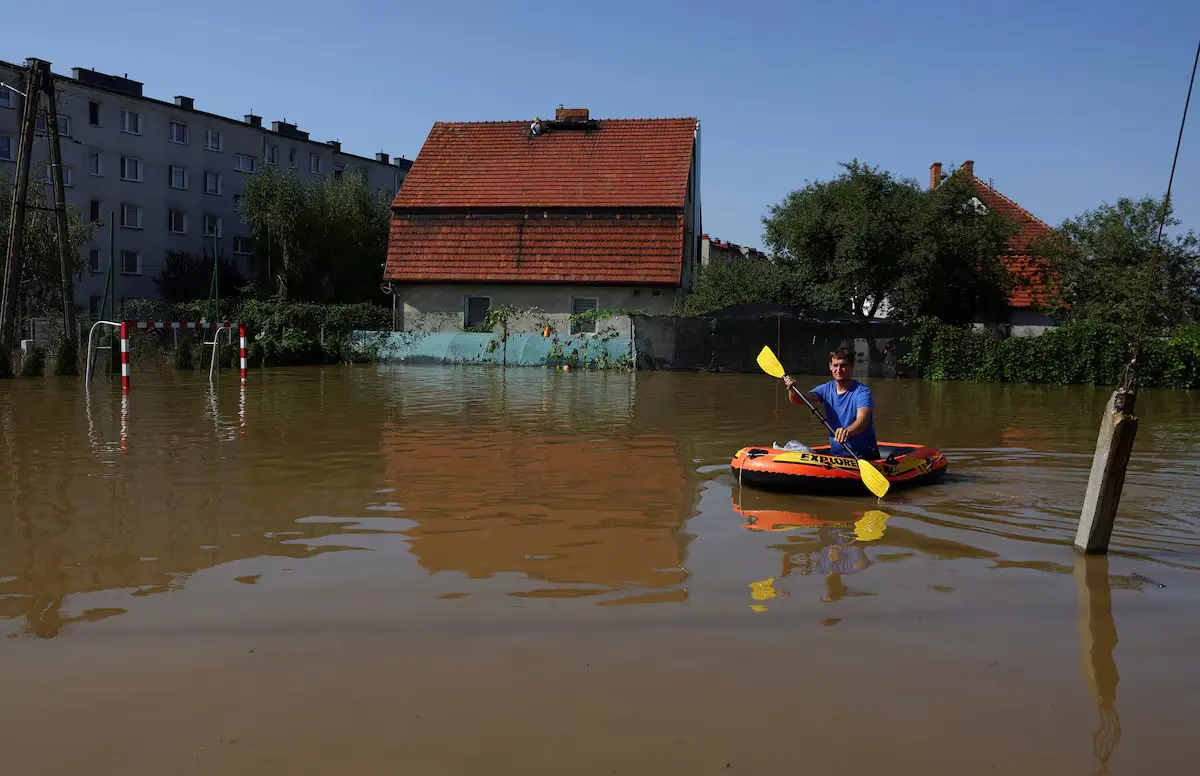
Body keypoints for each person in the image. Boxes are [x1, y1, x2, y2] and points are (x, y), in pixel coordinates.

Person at [782, 346, 880, 460]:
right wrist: (791, 389)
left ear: (852, 366)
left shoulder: (862, 392)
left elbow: (862, 420)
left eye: (843, 365)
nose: (838, 370)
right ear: (830, 366)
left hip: (863, 456)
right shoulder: (826, 389)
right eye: (835, 365)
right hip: (837, 457)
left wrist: (848, 431)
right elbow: (799, 399)